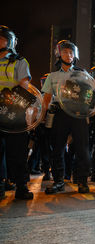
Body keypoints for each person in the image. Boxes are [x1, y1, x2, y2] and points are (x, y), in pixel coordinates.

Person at [42, 40, 91, 194]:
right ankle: (58, 181)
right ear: (59, 54)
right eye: (65, 52)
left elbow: (91, 93)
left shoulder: (82, 74)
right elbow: (46, 99)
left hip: (78, 113)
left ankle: (82, 180)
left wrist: (89, 111)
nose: (68, 55)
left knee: (82, 148)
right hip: (60, 114)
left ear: (74, 55)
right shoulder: (53, 76)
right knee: (57, 148)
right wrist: (41, 118)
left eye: (71, 53)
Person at [0, 25, 36, 199]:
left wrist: (10, 94)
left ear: (10, 41)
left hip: (15, 110)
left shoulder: (19, 61)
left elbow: (24, 86)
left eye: (2, 39)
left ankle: (21, 187)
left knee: (18, 152)